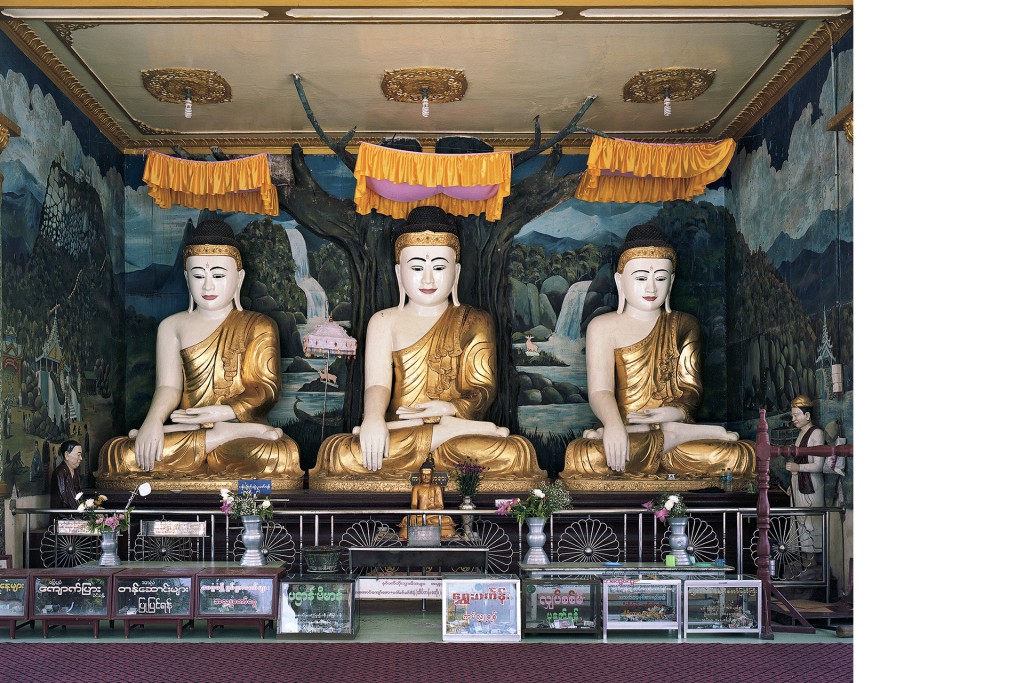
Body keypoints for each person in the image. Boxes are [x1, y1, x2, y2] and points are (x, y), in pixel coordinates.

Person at [310, 207, 544, 489]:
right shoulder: (383, 321)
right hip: (400, 432)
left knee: (514, 453)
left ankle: (446, 433)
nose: (428, 279)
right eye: (417, 267)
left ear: (456, 272)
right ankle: (441, 434)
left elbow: (482, 389)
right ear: (399, 273)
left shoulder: (474, 320)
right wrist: (373, 419)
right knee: (340, 454)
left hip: (458, 434)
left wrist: (448, 408)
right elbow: (377, 385)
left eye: (440, 268)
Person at [96, 219, 304, 489]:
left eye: (218, 276)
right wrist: (153, 421)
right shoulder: (172, 326)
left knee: (279, 455)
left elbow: (265, 389)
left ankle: (227, 434)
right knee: (119, 455)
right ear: (186, 278)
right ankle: (218, 437)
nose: (207, 287)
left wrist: (220, 413)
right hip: (190, 429)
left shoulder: (259, 325)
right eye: (197, 276)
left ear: (239, 278)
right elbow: (169, 387)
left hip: (240, 434)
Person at [562, 224, 755, 481]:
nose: (651, 288)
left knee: (739, 455)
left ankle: (671, 435)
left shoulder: (684, 324)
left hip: (670, 431)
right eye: (641, 278)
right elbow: (600, 391)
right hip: (626, 429)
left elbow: (691, 388)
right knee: (584, 456)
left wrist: (675, 412)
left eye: (661, 278)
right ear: (620, 281)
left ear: (671, 281)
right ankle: (665, 437)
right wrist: (614, 425)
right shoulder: (602, 327)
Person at [784, 395, 825, 578]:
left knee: (810, 520)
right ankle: (805, 559)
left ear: (807, 415)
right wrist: (792, 482)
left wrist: (798, 468)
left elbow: (818, 465)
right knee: (800, 520)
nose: (793, 419)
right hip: (798, 482)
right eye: (792, 415)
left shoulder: (817, 434)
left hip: (811, 485)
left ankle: (812, 561)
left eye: (796, 415)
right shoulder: (801, 434)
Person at [398, 457, 456, 540]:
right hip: (420, 515)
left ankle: (425, 523)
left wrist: (431, 511)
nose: (426, 477)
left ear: (432, 475)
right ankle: (426, 523)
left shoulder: (437, 488)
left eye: (428, 475)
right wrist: (413, 514)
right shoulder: (416, 488)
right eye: (423, 475)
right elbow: (414, 504)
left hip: (433, 515)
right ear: (420, 475)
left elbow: (440, 506)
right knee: (406, 520)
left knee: (447, 520)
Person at [50, 439, 83, 510]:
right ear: (67, 455)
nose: (81, 458)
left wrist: (85, 507)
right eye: (78, 455)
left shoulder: (75, 472)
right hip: (63, 514)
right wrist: (81, 510)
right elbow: (65, 498)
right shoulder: (60, 472)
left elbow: (79, 494)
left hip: (75, 512)